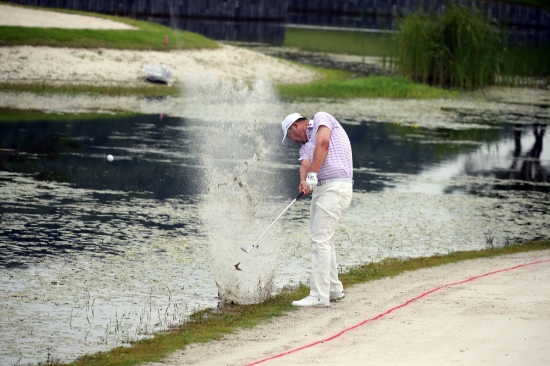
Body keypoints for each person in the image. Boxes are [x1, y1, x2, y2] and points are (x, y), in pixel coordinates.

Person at [281, 112, 353, 307]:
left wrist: (313, 175)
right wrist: (304, 180)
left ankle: (319, 296)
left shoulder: (322, 118)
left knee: (320, 241)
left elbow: (323, 144)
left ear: (295, 126)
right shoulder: (305, 147)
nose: (292, 141)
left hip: (336, 187)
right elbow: (305, 165)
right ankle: (333, 289)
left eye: (290, 136)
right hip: (322, 189)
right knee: (323, 240)